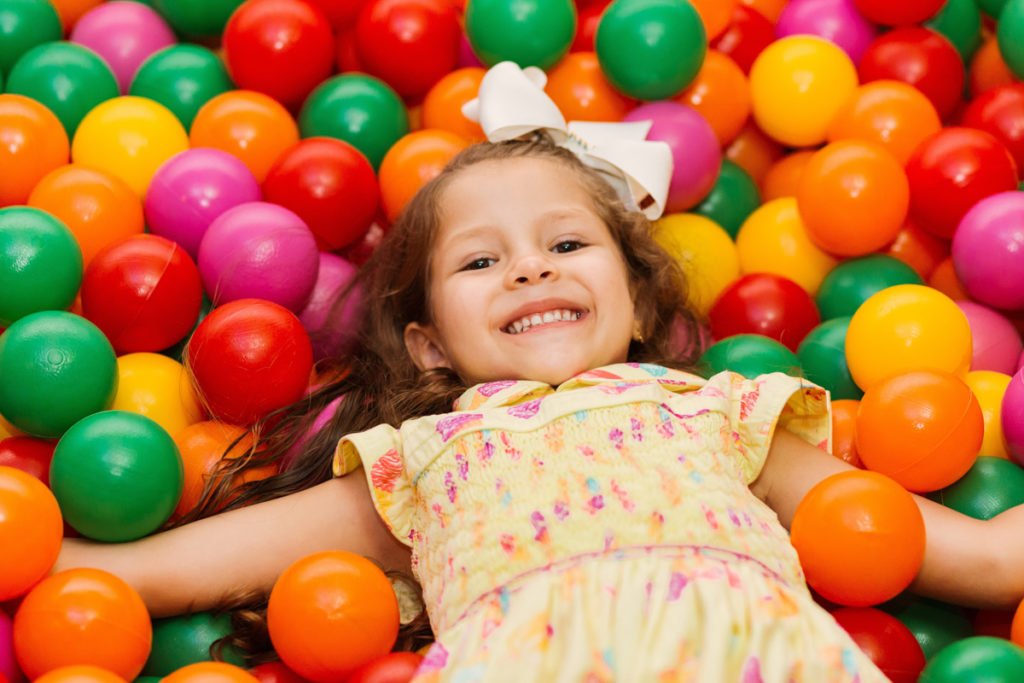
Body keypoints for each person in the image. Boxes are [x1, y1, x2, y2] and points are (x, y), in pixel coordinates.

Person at [57, 64, 1024, 681]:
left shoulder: (726, 417)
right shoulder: (418, 466)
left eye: (567, 242)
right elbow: (168, 572)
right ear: (431, 344)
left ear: (641, 302)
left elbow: (963, 551)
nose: (530, 268)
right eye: (481, 262)